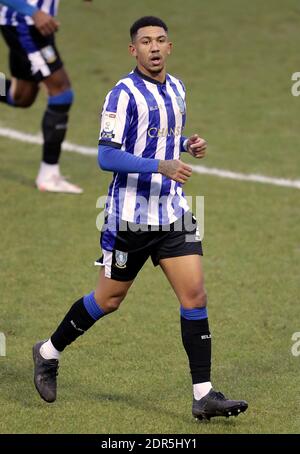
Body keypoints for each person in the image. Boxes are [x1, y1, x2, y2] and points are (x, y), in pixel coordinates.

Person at [32, 16, 248, 421]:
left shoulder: (179, 88)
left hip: (173, 213)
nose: (153, 47)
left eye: (160, 40)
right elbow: (106, 156)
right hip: (129, 219)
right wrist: (161, 166)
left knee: (195, 296)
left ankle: (203, 395)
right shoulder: (121, 95)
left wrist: (187, 144)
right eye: (145, 41)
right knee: (108, 300)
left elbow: (159, 136)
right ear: (133, 50)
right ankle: (47, 352)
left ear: (170, 47)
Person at [0, 0, 83, 193]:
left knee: (22, 96)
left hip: (36, 24)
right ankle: (48, 174)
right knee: (61, 92)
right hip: (25, 23)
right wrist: (32, 11)